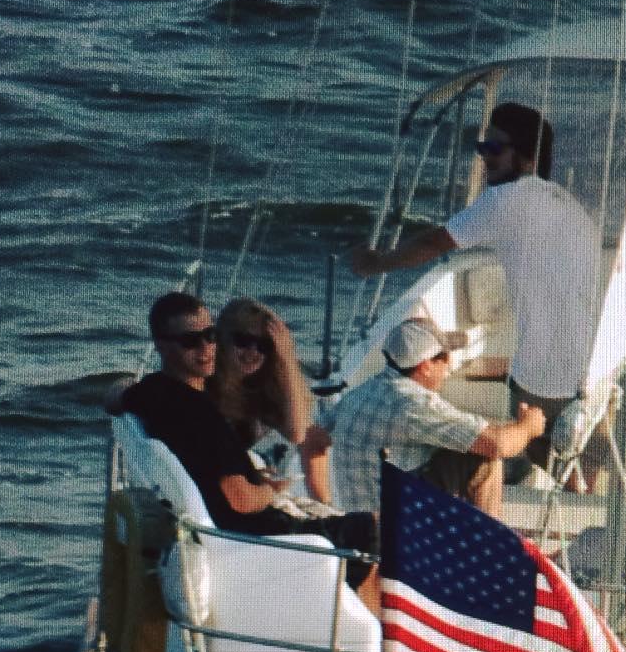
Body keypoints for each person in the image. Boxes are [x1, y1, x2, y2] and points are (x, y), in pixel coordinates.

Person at [347, 101, 600, 475]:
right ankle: (580, 489)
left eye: (495, 149)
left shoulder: (506, 199)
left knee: (541, 455)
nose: (485, 158)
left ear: (528, 160)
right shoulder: (569, 206)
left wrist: (377, 263)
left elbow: (436, 242)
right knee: (580, 461)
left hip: (542, 374)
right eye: (483, 148)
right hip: (592, 367)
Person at [118, 291, 377, 599]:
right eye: (191, 341)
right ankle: (375, 631)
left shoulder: (157, 392)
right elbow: (240, 499)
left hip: (229, 526)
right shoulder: (202, 413)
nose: (204, 348)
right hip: (253, 535)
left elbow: (118, 397)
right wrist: (270, 490)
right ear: (162, 345)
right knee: (377, 528)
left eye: (208, 336)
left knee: (360, 522)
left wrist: (284, 353)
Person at [330, 316, 546, 522]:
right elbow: (499, 444)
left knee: (468, 445)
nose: (449, 368)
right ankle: (486, 544)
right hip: (402, 532)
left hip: (360, 524)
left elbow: (313, 441)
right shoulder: (414, 403)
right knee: (484, 457)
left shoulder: (356, 395)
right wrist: (529, 426)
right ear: (425, 366)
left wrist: (323, 500)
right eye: (445, 359)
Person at [210, 296, 333, 504]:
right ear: (223, 340)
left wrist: (286, 357)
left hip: (237, 486)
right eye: (243, 341)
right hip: (220, 491)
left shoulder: (258, 389)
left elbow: (297, 433)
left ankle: (324, 504)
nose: (252, 352)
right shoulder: (205, 384)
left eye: (264, 345)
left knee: (316, 437)